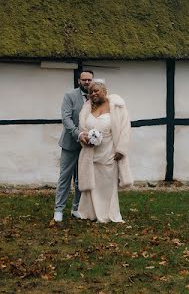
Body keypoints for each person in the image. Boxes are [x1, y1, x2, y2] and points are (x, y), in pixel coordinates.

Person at [76, 81, 132, 223]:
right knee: (92, 184)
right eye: (91, 92)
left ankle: (108, 214)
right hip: (91, 153)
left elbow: (125, 128)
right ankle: (90, 213)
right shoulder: (87, 107)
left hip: (109, 153)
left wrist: (121, 149)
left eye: (96, 91)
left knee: (108, 184)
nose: (93, 93)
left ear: (104, 91)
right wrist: (85, 138)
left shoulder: (117, 106)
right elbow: (82, 127)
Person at [54, 69, 95, 222]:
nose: (87, 82)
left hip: (88, 147)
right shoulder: (70, 96)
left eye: (89, 79)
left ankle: (76, 208)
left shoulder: (96, 97)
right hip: (70, 144)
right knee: (65, 177)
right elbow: (66, 119)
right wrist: (78, 134)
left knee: (81, 179)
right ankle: (58, 210)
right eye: (84, 79)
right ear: (79, 81)